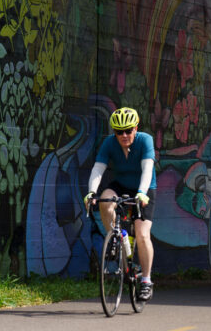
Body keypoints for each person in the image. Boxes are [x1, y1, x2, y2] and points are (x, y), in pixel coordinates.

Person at [85, 107, 157, 301]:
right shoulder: (109, 143)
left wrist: (142, 193)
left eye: (128, 130)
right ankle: (115, 238)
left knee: (142, 235)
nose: (124, 135)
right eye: (119, 132)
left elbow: (147, 169)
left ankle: (146, 281)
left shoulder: (145, 140)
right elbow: (98, 169)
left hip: (144, 189)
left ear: (136, 128)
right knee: (104, 200)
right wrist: (91, 192)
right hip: (122, 185)